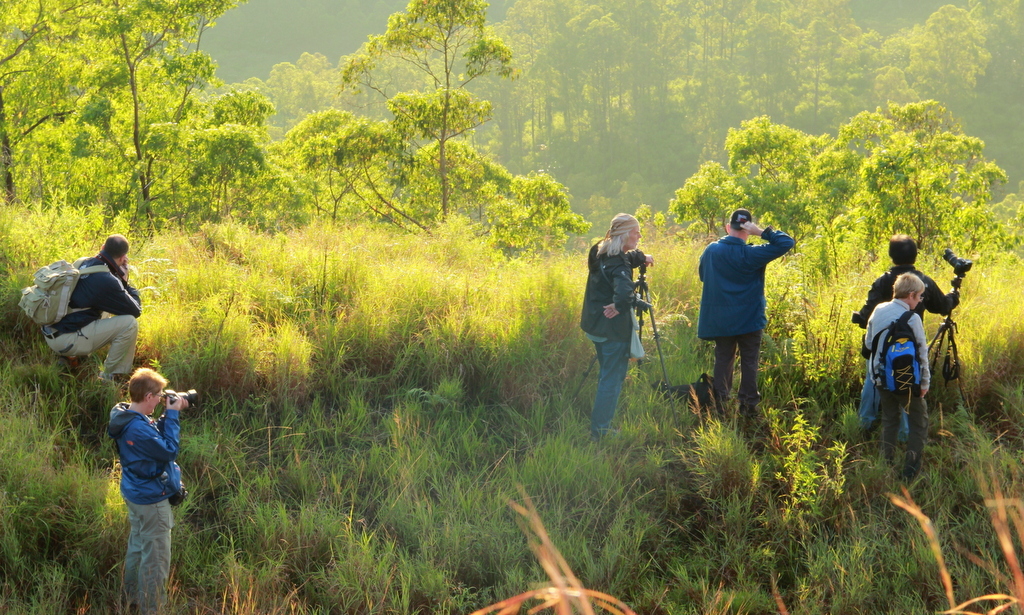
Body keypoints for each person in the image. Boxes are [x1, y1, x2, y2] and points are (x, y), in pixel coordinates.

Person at [853, 234, 958, 435]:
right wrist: (954, 295)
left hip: (879, 346)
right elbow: (942, 307)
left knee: (872, 381)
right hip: (907, 345)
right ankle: (904, 433)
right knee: (906, 383)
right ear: (915, 255)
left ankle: (865, 424)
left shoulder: (883, 280)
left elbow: (867, 315)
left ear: (891, 256)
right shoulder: (922, 282)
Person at [697, 208, 795, 416]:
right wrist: (761, 232)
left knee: (723, 359)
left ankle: (721, 404)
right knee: (749, 361)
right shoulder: (753, 253)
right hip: (750, 318)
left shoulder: (712, 250)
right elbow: (786, 242)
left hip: (721, 319)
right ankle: (748, 406)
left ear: (728, 227)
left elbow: (703, 276)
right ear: (747, 230)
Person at [108, 367, 189, 615]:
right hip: (152, 501)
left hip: (135, 493)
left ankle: (131, 599)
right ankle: (151, 609)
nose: (161, 399)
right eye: (159, 395)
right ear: (148, 397)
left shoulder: (125, 416)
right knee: (155, 560)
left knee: (138, 545)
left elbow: (152, 438)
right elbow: (168, 450)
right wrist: (173, 415)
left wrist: (166, 415)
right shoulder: (137, 428)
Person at [580, 213, 654, 440]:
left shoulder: (599, 251)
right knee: (612, 380)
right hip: (612, 329)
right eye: (636, 232)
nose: (639, 236)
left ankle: (600, 425)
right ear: (624, 234)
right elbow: (623, 291)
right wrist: (621, 304)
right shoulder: (618, 262)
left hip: (595, 325)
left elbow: (623, 259)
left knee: (606, 374)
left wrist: (642, 256)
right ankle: (601, 431)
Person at [41, 234, 142, 380]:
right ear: (122, 259)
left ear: (102, 247)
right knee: (129, 324)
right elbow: (135, 311)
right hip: (66, 340)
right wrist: (125, 283)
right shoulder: (107, 281)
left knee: (106, 306)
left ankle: (70, 357)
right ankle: (110, 376)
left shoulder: (83, 262)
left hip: (51, 332)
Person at [864, 273, 930, 480]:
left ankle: (886, 465)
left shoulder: (878, 309)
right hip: (906, 381)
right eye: (919, 297)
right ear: (911, 295)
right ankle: (910, 472)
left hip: (880, 378)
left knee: (889, 420)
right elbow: (922, 353)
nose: (919, 301)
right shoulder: (913, 318)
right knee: (918, 423)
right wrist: (925, 383)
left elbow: (868, 344)